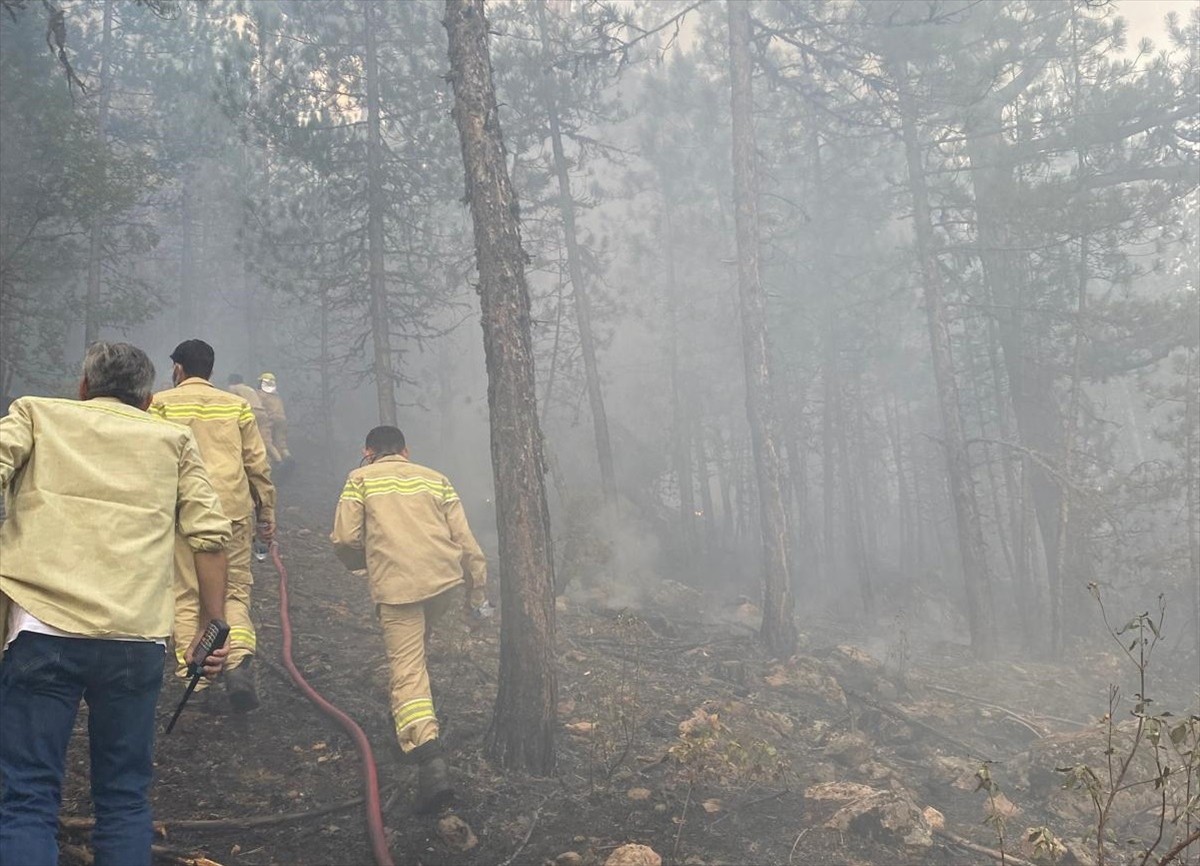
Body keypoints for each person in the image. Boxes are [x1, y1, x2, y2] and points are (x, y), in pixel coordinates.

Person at [0, 341, 231, 866]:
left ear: (83, 389)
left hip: (40, 630)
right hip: (135, 639)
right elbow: (210, 536)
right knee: (124, 799)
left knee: (28, 800)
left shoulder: (36, 414)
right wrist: (213, 624)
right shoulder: (173, 440)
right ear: (148, 399)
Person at [330, 425, 489, 813]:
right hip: (442, 584)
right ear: (406, 451)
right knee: (417, 653)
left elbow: (346, 539)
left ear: (367, 451)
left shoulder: (359, 479)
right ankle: (408, 716)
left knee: (407, 667)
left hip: (399, 589)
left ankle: (428, 755)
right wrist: (478, 594)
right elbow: (467, 542)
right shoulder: (437, 479)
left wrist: (367, 564)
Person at [151, 340, 276, 712]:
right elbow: (257, 465)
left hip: (182, 511)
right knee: (233, 591)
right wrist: (266, 514)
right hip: (232, 513)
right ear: (210, 370)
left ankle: (197, 679)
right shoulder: (235, 405)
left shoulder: (159, 404)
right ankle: (236, 662)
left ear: (177, 369)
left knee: (186, 593)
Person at [257, 372, 291, 465]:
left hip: (270, 420)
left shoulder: (261, 395)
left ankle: (278, 462)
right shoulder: (277, 396)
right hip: (282, 420)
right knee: (281, 443)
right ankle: (288, 457)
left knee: (267, 442)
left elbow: (258, 407)